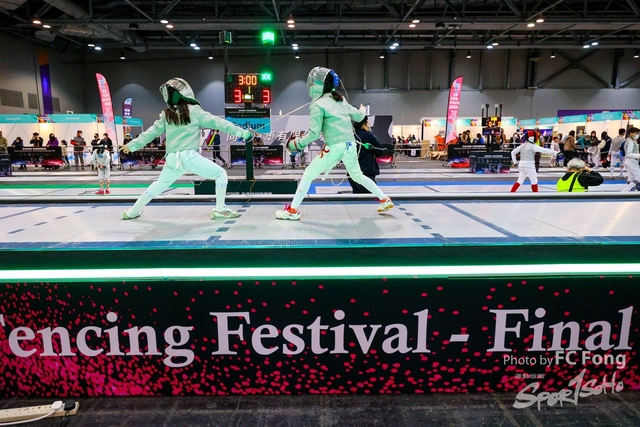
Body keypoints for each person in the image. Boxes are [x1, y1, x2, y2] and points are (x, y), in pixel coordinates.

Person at [119, 77, 252, 220]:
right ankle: (220, 209)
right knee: (221, 174)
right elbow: (219, 123)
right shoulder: (194, 111)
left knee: (158, 186)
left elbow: (151, 133)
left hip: (172, 159)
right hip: (189, 156)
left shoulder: (167, 114)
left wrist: (131, 145)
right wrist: (241, 133)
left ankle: (132, 212)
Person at [275, 67, 393, 220]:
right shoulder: (340, 100)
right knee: (358, 176)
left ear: (319, 85)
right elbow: (358, 117)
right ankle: (384, 199)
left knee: (308, 174)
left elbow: (314, 133)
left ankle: (292, 211)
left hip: (336, 146)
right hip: (350, 145)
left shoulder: (317, 105)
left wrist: (297, 144)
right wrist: (363, 110)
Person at [349, 116, 384, 193]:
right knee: (374, 196)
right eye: (367, 122)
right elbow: (380, 151)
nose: (369, 124)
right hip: (365, 173)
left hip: (352, 173)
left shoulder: (351, 137)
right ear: (363, 125)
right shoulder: (367, 135)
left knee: (358, 198)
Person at [621, 127, 640, 192]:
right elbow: (628, 154)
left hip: (629, 161)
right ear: (631, 133)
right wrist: (639, 156)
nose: (638, 135)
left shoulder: (628, 140)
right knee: (638, 178)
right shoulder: (631, 142)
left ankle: (624, 191)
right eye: (636, 133)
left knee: (631, 178)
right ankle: (626, 190)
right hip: (631, 161)